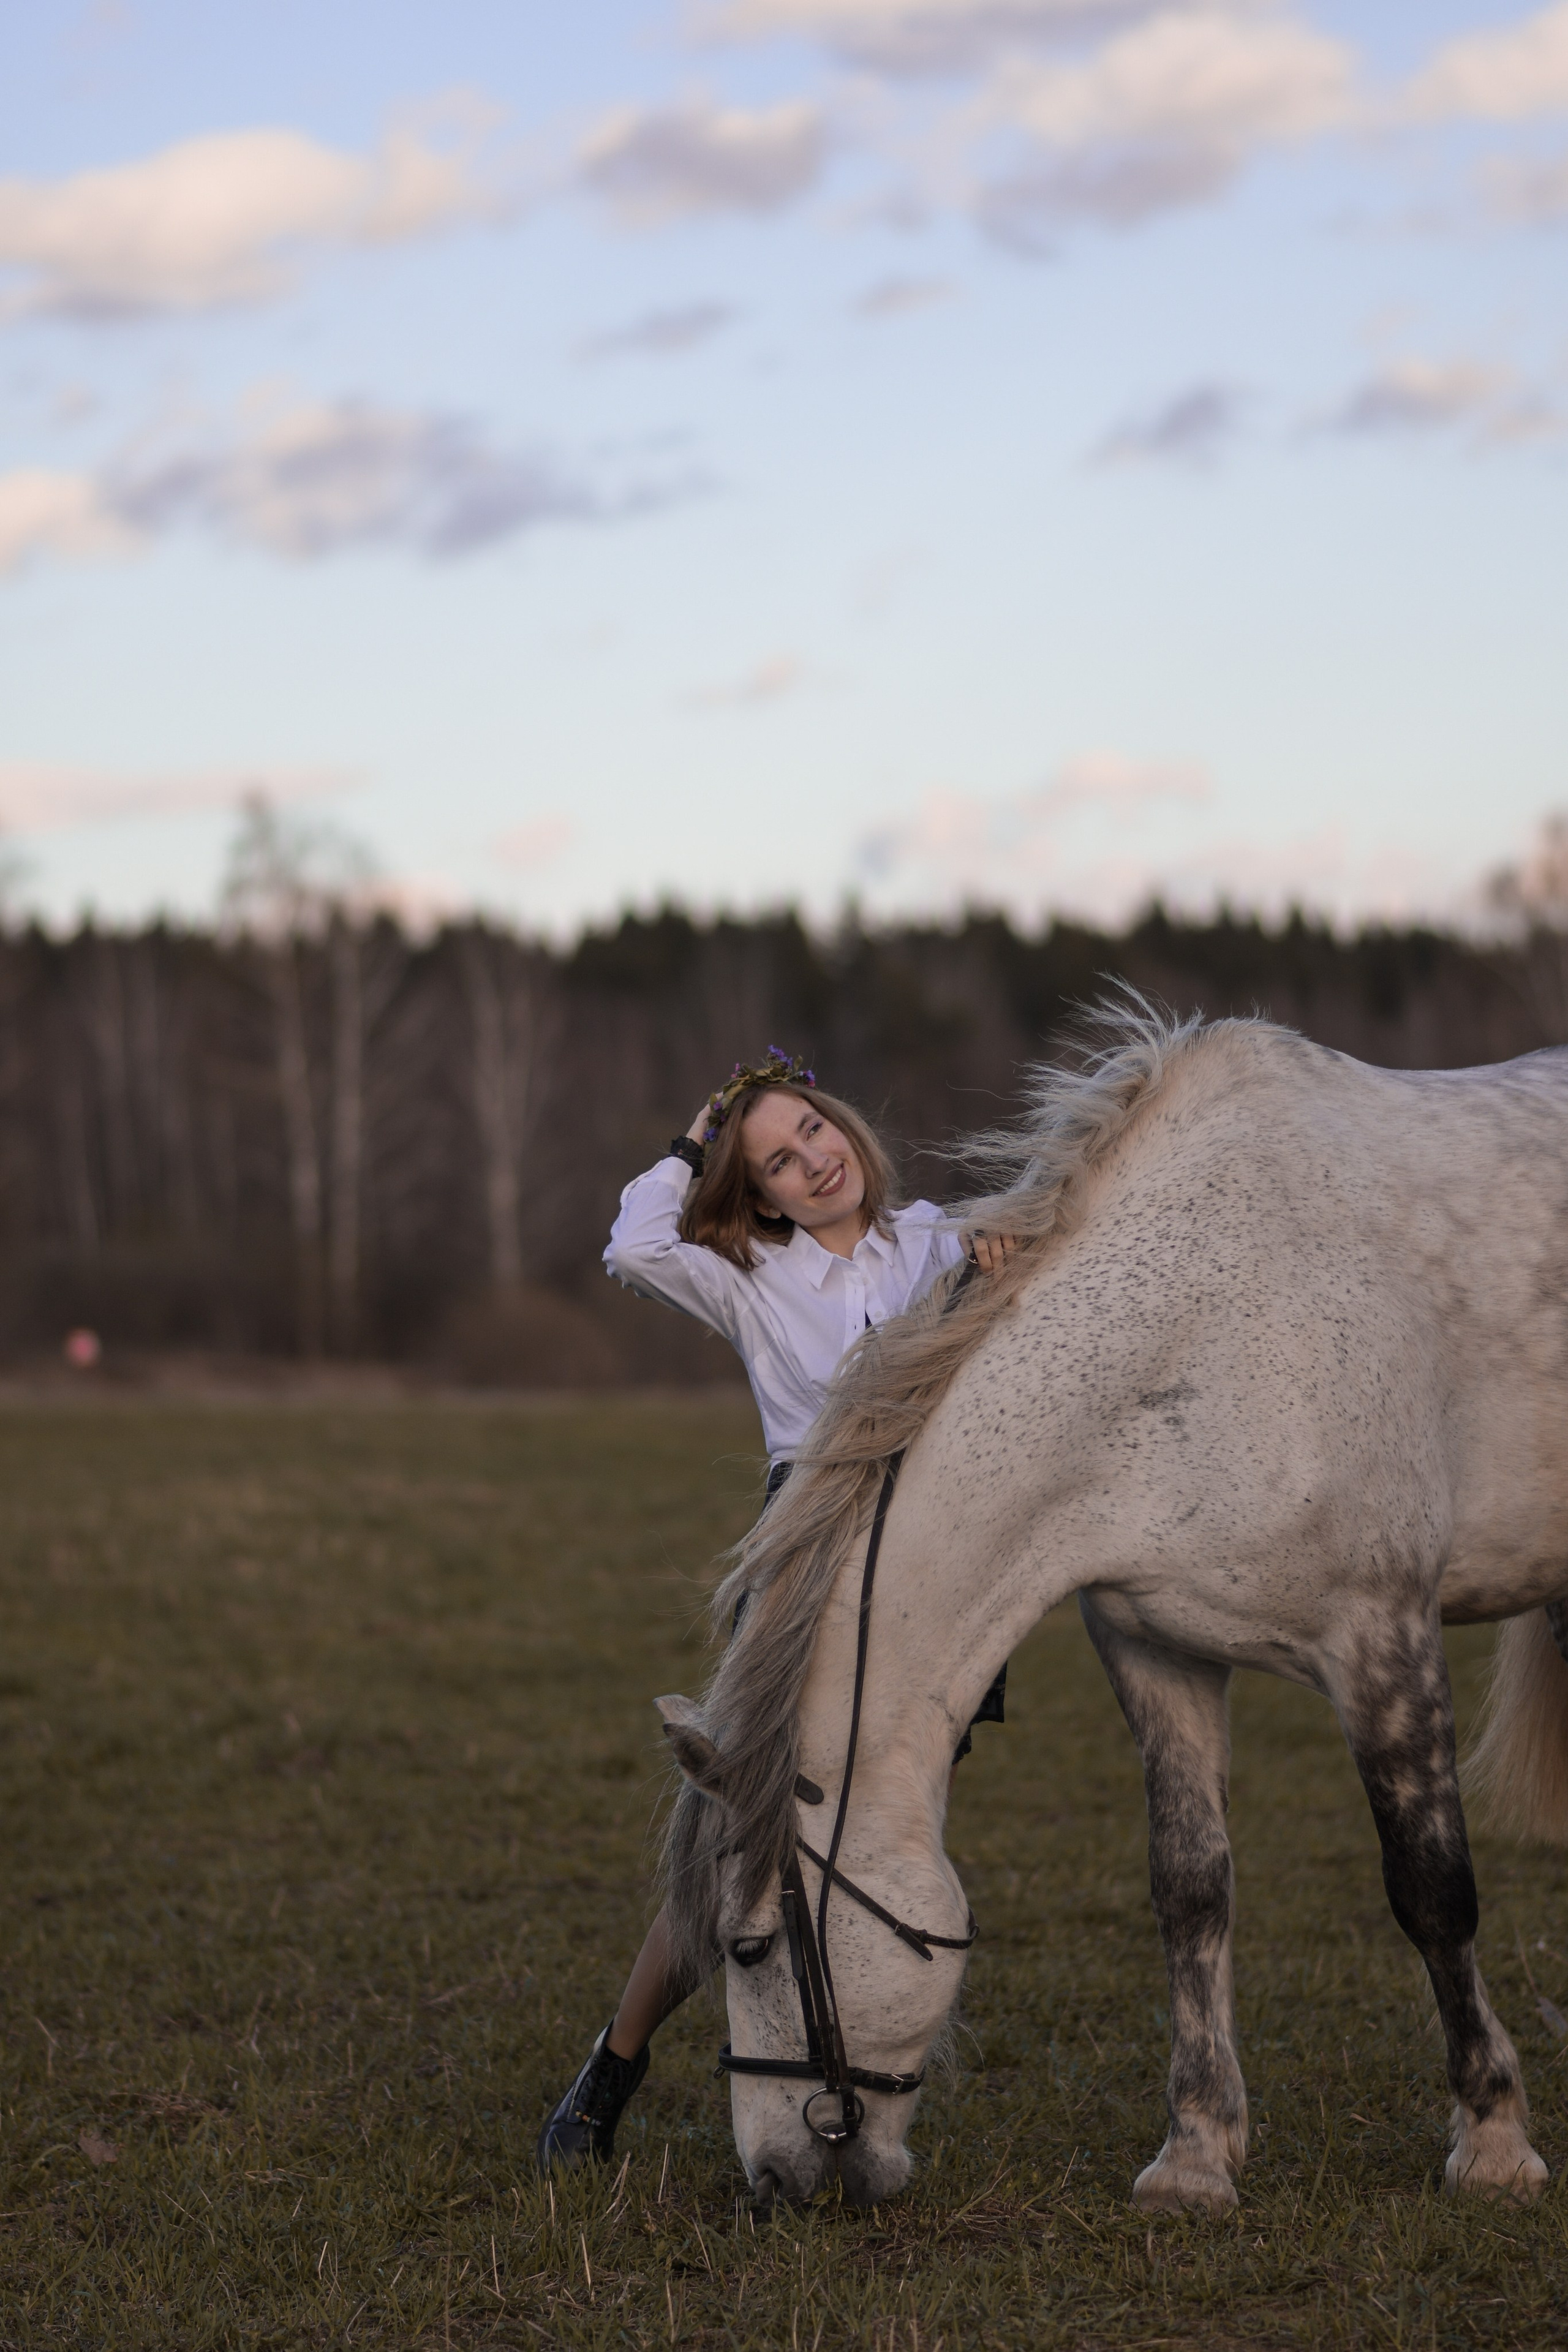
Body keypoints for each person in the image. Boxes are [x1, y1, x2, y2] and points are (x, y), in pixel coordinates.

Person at [535, 1049, 1012, 2173]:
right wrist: (696, 1137)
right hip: (805, 1549)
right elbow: (631, 1246)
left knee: (871, 1841)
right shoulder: (742, 1268)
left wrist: (1002, 1263)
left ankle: (847, 2058)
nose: (814, 1162)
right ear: (758, 1195)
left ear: (844, 1124)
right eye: (780, 1162)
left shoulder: (938, 1238)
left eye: (814, 1132)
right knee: (749, 1840)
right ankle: (617, 2061)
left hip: (935, 1564)